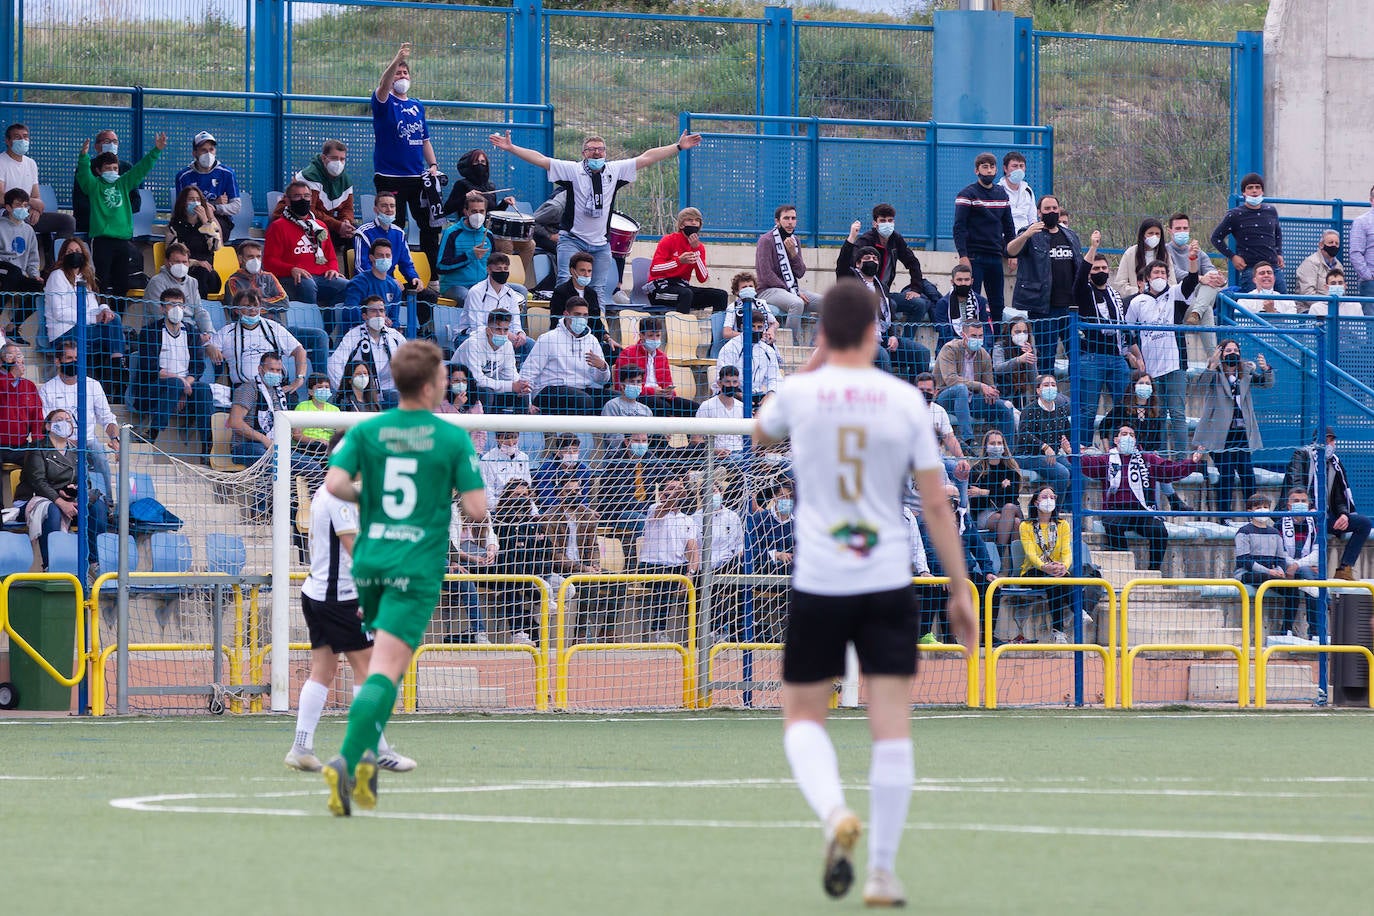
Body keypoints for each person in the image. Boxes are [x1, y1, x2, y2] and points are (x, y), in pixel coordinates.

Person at [753, 279, 975, 907]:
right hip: (886, 580)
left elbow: (760, 435)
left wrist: (815, 362)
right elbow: (935, 501)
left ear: (823, 332)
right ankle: (881, 871)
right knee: (892, 729)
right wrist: (958, 586)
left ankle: (833, 815)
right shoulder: (904, 400)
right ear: (877, 331)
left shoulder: (801, 391)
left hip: (821, 581)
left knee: (801, 718)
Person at [319, 339, 485, 815]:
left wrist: (369, 499)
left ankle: (367, 765)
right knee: (386, 669)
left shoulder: (369, 430)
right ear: (433, 385)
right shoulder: (450, 437)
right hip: (415, 563)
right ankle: (347, 761)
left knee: (379, 665)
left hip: (370, 561)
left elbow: (333, 484)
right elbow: (476, 510)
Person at [285, 431, 416, 774]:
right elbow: (353, 549)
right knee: (370, 670)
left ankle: (301, 746)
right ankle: (375, 749)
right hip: (339, 598)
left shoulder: (333, 491)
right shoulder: (338, 496)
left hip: (318, 593)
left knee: (324, 671)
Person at [490, 126, 702, 303]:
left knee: (599, 290)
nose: (597, 153)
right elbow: (541, 160)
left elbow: (646, 157)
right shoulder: (573, 170)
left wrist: (678, 147)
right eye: (591, 150)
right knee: (564, 282)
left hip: (600, 244)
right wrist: (511, 148)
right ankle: (558, 328)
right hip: (572, 239)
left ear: (606, 153)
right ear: (584, 153)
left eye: (601, 150)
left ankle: (597, 334)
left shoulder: (615, 170)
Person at [1080, 424, 1205, 571]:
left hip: (1143, 511)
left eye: (1131, 435)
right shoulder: (1107, 460)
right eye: (1124, 433)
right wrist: (1072, 454)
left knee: (1160, 531)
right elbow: (1088, 465)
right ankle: (1124, 567)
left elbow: (1170, 471)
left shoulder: (1147, 458)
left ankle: (1153, 571)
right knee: (1113, 525)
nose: (1128, 437)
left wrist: (1192, 462)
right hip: (1116, 510)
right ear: (1115, 439)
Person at [1124, 246, 1203, 457]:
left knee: (1177, 413)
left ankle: (1181, 460)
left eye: (1163, 273)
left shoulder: (1175, 294)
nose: (1160, 276)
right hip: (1149, 369)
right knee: (1155, 414)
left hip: (1175, 365)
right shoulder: (1137, 302)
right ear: (1147, 278)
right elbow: (1127, 332)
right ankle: (1153, 456)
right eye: (1156, 273)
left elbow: (1192, 280)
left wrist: (1192, 259)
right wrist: (1133, 357)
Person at [371, 44, 444, 269]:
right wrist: (397, 58)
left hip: (416, 177)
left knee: (430, 225)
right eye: (397, 73)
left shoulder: (417, 106)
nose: (402, 76)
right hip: (390, 176)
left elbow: (424, 140)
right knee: (395, 225)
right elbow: (383, 85)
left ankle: (431, 274)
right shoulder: (384, 102)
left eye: (405, 72)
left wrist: (432, 164)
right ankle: (391, 273)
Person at [75, 133, 166, 301]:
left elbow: (141, 169)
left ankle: (117, 320)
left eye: (115, 168)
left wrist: (157, 150)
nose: (112, 171)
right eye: (108, 169)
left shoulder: (124, 183)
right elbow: (83, 175)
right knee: (100, 282)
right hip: (102, 241)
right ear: (98, 171)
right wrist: (83, 157)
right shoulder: (94, 186)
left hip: (123, 241)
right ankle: (100, 314)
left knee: (123, 284)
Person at [15, 408, 107, 569]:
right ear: (48, 426)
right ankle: (51, 565)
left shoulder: (77, 451)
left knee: (98, 506)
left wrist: (75, 491)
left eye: (68, 420)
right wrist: (60, 500)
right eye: (59, 420)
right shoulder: (37, 448)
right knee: (53, 510)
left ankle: (94, 561)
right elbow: (38, 482)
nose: (65, 423)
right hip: (36, 500)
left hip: (69, 501)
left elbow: (87, 482)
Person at [1192, 338, 1273, 519]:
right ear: (1221, 354)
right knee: (1227, 474)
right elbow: (1200, 386)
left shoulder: (1245, 372)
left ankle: (1254, 513)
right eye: (1228, 350)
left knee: (1247, 474)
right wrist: (1212, 365)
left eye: (1235, 350)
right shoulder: (1215, 373)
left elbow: (1266, 383)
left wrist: (1266, 370)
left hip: (1241, 432)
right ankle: (1224, 516)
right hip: (1219, 434)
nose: (1232, 353)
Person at [835, 233, 930, 383]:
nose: (872, 261)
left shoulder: (882, 286)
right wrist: (851, 238)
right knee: (882, 355)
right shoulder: (850, 280)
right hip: (860, 341)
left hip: (883, 337)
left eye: (874, 259)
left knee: (921, 353)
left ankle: (919, 396)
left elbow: (890, 316)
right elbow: (842, 264)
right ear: (858, 264)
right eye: (867, 259)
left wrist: (893, 335)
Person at [1073, 230, 1138, 447]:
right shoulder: (1083, 292)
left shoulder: (1115, 295)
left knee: (1125, 404)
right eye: (1096, 268)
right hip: (1091, 357)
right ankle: (1083, 448)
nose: (1100, 271)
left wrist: (1133, 353)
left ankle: (1116, 442)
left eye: (1104, 268)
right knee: (1089, 407)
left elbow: (1123, 326)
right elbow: (1080, 276)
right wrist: (1093, 247)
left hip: (1117, 358)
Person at [1006, 195, 1083, 376]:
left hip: (1070, 308)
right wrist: (1025, 235)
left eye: (1054, 208)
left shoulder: (1070, 235)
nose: (1052, 212)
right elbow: (1010, 250)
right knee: (1046, 357)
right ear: (1039, 212)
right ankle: (1045, 396)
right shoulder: (1031, 234)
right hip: (1043, 308)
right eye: (1047, 209)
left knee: (1077, 355)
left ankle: (1075, 401)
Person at [131, 290, 213, 456]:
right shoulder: (150, 332)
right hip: (153, 390)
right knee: (174, 383)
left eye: (179, 304)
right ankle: (151, 433)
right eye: (171, 304)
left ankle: (208, 446)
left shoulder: (191, 332)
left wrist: (184, 385)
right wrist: (180, 383)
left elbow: (198, 367)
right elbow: (150, 367)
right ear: (162, 308)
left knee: (203, 389)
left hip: (183, 388)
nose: (176, 308)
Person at [1284, 429, 1371, 581]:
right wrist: (1309, 507)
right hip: (1303, 513)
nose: (1330, 444)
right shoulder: (1302, 455)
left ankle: (1344, 568)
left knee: (1364, 523)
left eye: (1332, 440)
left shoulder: (1334, 463)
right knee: (1319, 523)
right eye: (1327, 440)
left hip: (1326, 515)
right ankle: (1313, 565)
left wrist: (1343, 514)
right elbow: (1295, 485)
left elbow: (1339, 496)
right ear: (1316, 441)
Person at [227, 353, 323, 484]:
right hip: (246, 446)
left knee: (312, 466)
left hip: (274, 446)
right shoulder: (248, 389)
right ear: (260, 369)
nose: (276, 373)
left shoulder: (279, 393)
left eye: (278, 370)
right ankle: (262, 505)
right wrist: (264, 439)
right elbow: (235, 422)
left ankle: (298, 504)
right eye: (271, 370)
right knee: (271, 463)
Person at [443, 147, 534, 284]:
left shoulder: (490, 186)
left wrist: (504, 203)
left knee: (530, 244)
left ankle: (519, 280)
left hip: (493, 231)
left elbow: (493, 212)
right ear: (469, 164)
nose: (480, 165)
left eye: (483, 162)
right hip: (476, 231)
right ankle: (501, 280)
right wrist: (465, 197)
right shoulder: (461, 184)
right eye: (476, 162)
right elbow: (447, 208)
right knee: (506, 245)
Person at [44, 237, 126, 387]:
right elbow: (60, 313)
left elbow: (93, 307)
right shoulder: (57, 276)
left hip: (84, 327)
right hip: (64, 331)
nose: (74, 254)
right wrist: (93, 318)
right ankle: (116, 371)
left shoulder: (85, 277)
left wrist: (104, 310)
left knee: (114, 319)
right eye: (69, 251)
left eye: (77, 251)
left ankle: (117, 363)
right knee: (112, 332)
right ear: (63, 255)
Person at [38, 341, 120, 488]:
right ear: (58, 361)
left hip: (88, 441)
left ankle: (107, 501)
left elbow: (107, 418)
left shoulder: (93, 385)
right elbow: (46, 425)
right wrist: (66, 440)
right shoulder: (47, 389)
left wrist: (114, 439)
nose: (74, 362)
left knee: (99, 453)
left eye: (77, 358)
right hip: (61, 443)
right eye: (69, 358)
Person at [264, 180, 347, 318]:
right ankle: (310, 324)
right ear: (288, 201)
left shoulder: (320, 226)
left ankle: (326, 327)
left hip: (321, 276)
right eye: (297, 196)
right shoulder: (278, 226)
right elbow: (269, 262)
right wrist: (291, 269)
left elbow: (331, 257)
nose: (303, 200)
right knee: (307, 284)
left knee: (348, 286)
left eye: (307, 196)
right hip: (291, 279)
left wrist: (333, 269)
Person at [953, 152, 1016, 327]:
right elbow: (959, 227)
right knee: (973, 302)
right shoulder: (967, 194)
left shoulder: (1002, 193)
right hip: (974, 256)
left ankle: (996, 343)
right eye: (985, 167)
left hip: (995, 256)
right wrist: (963, 255)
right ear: (977, 170)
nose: (989, 171)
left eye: (992, 167)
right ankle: (970, 340)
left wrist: (1013, 253)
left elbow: (1009, 227)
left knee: (997, 303)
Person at [0, 124, 77, 266]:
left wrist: (35, 209)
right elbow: (1, 198)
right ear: (7, 141)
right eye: (17, 137)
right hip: (8, 213)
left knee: (67, 221)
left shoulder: (31, 164)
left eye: (25, 137)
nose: (22, 140)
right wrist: (28, 202)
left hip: (28, 214)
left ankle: (56, 265)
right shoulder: (2, 162)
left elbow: (38, 198)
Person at [849, 203, 937, 325]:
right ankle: (887, 339)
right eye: (883, 220)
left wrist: (915, 289)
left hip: (885, 293)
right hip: (866, 294)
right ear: (875, 223)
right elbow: (851, 264)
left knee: (920, 304)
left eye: (890, 220)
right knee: (891, 305)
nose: (887, 224)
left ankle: (907, 340)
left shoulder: (896, 239)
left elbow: (913, 262)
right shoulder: (866, 240)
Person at [932, 321, 1015, 446]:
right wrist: (981, 386)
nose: (977, 339)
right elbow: (951, 379)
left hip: (971, 401)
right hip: (946, 398)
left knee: (1005, 408)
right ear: (963, 335)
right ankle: (968, 440)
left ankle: (1009, 454)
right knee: (961, 389)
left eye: (980, 336)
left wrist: (991, 392)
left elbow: (989, 384)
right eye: (973, 336)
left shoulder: (984, 355)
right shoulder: (950, 349)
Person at [208, 290, 309, 392]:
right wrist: (209, 347)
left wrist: (299, 379)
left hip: (279, 388)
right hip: (245, 390)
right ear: (237, 310)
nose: (253, 310)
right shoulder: (226, 332)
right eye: (247, 306)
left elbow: (299, 350)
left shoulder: (274, 327)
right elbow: (207, 348)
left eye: (256, 305)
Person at [488, 478, 549, 646]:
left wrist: (534, 542)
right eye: (516, 495)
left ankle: (531, 627)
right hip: (501, 569)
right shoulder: (497, 518)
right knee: (512, 583)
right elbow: (505, 547)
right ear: (507, 496)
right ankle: (522, 632)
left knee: (568, 589)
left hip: (533, 571)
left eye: (524, 495)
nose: (521, 498)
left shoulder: (533, 521)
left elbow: (545, 549)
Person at [637, 474, 700, 636]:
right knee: (668, 581)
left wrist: (691, 573)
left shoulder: (688, 520)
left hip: (676, 567)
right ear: (663, 492)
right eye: (670, 489)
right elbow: (663, 509)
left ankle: (703, 633)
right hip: (651, 566)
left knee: (702, 582)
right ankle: (659, 630)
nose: (674, 492)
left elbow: (693, 550)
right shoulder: (654, 509)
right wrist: (674, 495)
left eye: (678, 489)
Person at [522, 301, 610, 416]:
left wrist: (602, 367)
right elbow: (528, 371)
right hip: (550, 390)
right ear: (566, 314)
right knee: (583, 400)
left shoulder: (592, 340)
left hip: (582, 389)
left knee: (613, 399)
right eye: (577, 315)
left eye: (585, 315)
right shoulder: (549, 338)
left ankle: (608, 434)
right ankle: (568, 433)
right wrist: (527, 402)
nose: (582, 319)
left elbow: (602, 380)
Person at [1232, 492, 1300, 636]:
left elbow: (1281, 557)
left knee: (1293, 589)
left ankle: (1286, 630)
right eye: (1258, 507)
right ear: (1250, 510)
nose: (1262, 510)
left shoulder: (1275, 532)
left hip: (1271, 573)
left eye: (1265, 507)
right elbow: (1244, 560)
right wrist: (1269, 571)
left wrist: (1280, 570)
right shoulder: (1243, 532)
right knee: (1268, 579)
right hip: (1246, 574)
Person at [271, 139, 355, 254]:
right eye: (334, 158)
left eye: (342, 159)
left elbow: (347, 208)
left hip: (323, 224)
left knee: (353, 233)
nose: (339, 163)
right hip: (296, 222)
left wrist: (346, 222)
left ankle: (350, 271)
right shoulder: (309, 176)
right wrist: (337, 225)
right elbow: (309, 211)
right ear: (324, 158)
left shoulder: (345, 180)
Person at [1018, 486, 1078, 643]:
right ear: (1036, 502)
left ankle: (1058, 633)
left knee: (1056, 583)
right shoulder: (1026, 526)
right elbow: (1030, 554)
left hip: (1057, 571)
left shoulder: (1062, 525)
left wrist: (1064, 566)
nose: (1049, 500)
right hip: (1033, 571)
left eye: (1052, 497)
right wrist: (1045, 567)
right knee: (1056, 581)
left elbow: (1066, 551)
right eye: (1045, 497)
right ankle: (1078, 611)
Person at [352, 192, 431, 310]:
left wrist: (414, 277)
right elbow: (361, 267)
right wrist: (388, 281)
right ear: (376, 209)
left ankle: (418, 329)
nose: (389, 209)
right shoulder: (363, 233)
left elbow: (406, 263)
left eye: (392, 206)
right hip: (371, 285)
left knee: (427, 296)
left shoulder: (399, 233)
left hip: (392, 285)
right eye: (384, 206)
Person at [1211, 172, 1284, 293]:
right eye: (1250, 188)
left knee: (1284, 302)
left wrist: (1279, 252)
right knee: (1252, 305)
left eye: (1257, 187)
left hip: (1272, 267)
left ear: (1262, 191)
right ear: (1244, 193)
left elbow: (1277, 233)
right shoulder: (1235, 215)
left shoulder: (1271, 211)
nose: (1254, 191)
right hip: (1250, 268)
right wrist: (1233, 257)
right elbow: (1216, 238)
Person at [329, 296, 407, 408]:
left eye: (381, 310)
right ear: (364, 316)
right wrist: (345, 389)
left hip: (390, 392)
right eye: (373, 311)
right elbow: (334, 364)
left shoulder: (395, 336)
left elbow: (411, 364)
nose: (378, 314)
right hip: (363, 392)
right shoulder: (354, 335)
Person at [755, 203, 821, 336]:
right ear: (777, 221)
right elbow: (766, 274)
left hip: (790, 289)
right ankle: (791, 344)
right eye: (786, 218)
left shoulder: (795, 240)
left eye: (793, 218)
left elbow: (800, 272)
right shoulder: (766, 240)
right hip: (767, 290)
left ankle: (818, 342)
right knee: (796, 303)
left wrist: (793, 254)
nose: (790, 222)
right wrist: (793, 292)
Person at [742, 481, 796, 643]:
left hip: (791, 574)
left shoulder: (799, 523)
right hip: (764, 571)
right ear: (774, 497)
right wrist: (775, 554)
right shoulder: (760, 519)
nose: (786, 500)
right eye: (782, 496)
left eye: (790, 497)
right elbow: (752, 550)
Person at [646, 207, 728, 313]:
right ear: (681, 225)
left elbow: (702, 277)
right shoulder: (669, 240)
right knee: (686, 294)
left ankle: (719, 329)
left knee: (720, 295)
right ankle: (681, 329)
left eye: (697, 220)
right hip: (659, 289)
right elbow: (655, 269)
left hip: (682, 286)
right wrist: (678, 261)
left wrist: (696, 250)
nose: (694, 223)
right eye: (690, 220)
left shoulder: (699, 247)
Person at [612, 315, 696, 416]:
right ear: (641, 336)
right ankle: (661, 431)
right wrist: (652, 391)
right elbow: (621, 386)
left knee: (694, 408)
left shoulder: (662, 356)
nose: (655, 339)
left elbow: (668, 383)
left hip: (660, 396)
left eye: (658, 335)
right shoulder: (627, 354)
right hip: (638, 396)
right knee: (663, 406)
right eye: (651, 336)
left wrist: (669, 393)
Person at [452, 252, 531, 356]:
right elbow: (477, 326)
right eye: (498, 269)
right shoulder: (476, 292)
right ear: (489, 270)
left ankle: (522, 371)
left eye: (505, 269)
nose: (503, 272)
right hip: (470, 336)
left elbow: (515, 322)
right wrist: (505, 335)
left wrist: (520, 334)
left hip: (502, 336)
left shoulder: (511, 293)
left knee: (530, 345)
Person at [456, 307, 531, 414]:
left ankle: (513, 430)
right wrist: (512, 386)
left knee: (520, 394)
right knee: (486, 392)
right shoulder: (473, 344)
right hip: (463, 391)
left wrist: (521, 386)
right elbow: (478, 380)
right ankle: (480, 429)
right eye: (498, 329)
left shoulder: (508, 345)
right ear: (488, 330)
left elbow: (511, 375)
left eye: (505, 330)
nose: (502, 334)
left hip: (489, 390)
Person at [595, 432, 665, 542]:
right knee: (642, 521)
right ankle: (641, 558)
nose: (641, 444)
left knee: (669, 519)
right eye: (637, 441)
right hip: (616, 513)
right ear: (627, 442)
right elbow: (623, 501)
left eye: (644, 441)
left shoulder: (649, 458)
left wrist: (675, 481)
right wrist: (651, 513)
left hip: (643, 510)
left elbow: (667, 475)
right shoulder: (616, 462)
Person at [444, 500, 496, 644]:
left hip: (455, 559)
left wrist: (491, 550)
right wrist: (466, 558)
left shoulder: (483, 512)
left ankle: (479, 633)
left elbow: (444, 541)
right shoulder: (451, 510)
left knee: (507, 566)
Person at [73, 128, 141, 237]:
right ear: (96, 146)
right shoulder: (86, 168)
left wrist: (116, 212)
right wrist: (102, 213)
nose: (112, 144)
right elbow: (80, 202)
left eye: (115, 142)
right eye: (107, 142)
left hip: (119, 225)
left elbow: (136, 202)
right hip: (93, 224)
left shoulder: (126, 168)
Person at [174, 130, 241, 240]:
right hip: (191, 218)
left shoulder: (227, 173)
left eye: (211, 149)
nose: (208, 154)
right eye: (203, 150)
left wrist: (214, 208)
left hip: (220, 218)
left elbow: (236, 206)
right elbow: (181, 207)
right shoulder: (183, 176)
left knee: (212, 230)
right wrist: (212, 203)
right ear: (195, 153)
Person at [969, 429, 1023, 559]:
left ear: (1004, 446)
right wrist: (1000, 489)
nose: (996, 446)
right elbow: (975, 502)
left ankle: (999, 557)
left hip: (1010, 509)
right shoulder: (977, 470)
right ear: (986, 446)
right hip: (986, 513)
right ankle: (1013, 568)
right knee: (1014, 522)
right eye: (993, 443)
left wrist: (984, 492)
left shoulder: (1011, 469)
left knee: (1009, 509)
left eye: (999, 443)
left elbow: (1012, 496)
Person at [163, 185, 222, 301]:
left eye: (198, 199)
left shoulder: (209, 225)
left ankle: (201, 310)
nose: (195, 202)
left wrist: (206, 222)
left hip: (208, 275)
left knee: (203, 273)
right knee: (197, 274)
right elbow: (172, 255)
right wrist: (195, 262)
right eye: (191, 199)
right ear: (183, 203)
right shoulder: (174, 227)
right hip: (184, 271)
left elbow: (216, 246)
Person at [1277, 487, 1322, 638]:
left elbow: (1318, 552)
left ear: (1309, 504)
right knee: (1311, 582)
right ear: (1288, 505)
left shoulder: (1315, 523)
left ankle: (1287, 630)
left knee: (1306, 577)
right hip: (1284, 566)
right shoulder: (1279, 523)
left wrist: (1297, 565)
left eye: (1303, 501)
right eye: (1296, 501)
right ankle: (1315, 632)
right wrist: (1294, 565)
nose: (1300, 503)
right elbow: (1280, 553)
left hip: (1304, 568)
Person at [1014, 374, 1072, 490]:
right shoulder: (1029, 410)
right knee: (1062, 473)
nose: (1050, 387)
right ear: (1038, 390)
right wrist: (1045, 447)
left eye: (1053, 385)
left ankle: (1069, 507)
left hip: (1053, 455)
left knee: (1078, 472)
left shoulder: (1061, 410)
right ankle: (1057, 508)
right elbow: (1024, 434)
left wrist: (1067, 447)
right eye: (1046, 385)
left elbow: (1068, 433)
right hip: (1028, 456)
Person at [436, 190, 494, 304]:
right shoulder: (452, 233)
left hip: (481, 285)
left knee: (519, 292)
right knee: (471, 298)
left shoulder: (488, 235)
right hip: (454, 285)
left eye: (481, 211)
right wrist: (469, 256)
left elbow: (492, 264)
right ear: (465, 212)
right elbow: (441, 267)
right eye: (474, 211)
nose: (478, 215)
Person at [0, 188, 43, 340]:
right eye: (19, 205)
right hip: (3, 270)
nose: (23, 209)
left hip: (17, 274)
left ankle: (13, 326)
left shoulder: (29, 230)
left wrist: (35, 275)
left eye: (26, 205)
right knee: (13, 273)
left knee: (39, 287)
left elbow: (33, 257)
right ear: (8, 207)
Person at [339, 238, 404, 340]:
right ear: (371, 258)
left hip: (384, 337)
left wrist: (393, 327)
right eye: (380, 255)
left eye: (388, 256)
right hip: (358, 335)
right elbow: (350, 311)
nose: (384, 259)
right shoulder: (358, 282)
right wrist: (375, 318)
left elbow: (394, 319)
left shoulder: (395, 287)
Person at [718, 304, 784, 403]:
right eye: (752, 326)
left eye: (759, 327)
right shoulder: (730, 348)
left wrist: (770, 395)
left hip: (759, 396)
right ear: (742, 327)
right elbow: (724, 378)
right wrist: (741, 396)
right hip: (733, 395)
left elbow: (775, 378)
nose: (756, 330)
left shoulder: (768, 351)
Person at [142, 241, 203, 331]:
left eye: (184, 262)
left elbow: (199, 312)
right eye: (177, 262)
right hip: (161, 331)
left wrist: (208, 332)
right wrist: (189, 333)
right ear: (167, 262)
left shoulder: (193, 282)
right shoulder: (157, 282)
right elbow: (159, 314)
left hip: (190, 331)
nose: (181, 265)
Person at [933, 263, 992, 353]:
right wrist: (964, 348)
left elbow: (986, 329)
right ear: (952, 282)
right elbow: (944, 333)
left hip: (977, 350)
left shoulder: (980, 301)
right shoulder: (943, 303)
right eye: (959, 280)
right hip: (950, 351)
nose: (963, 283)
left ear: (972, 281)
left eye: (966, 280)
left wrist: (984, 350)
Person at [1111, 218, 1174, 302]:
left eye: (1157, 234)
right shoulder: (1130, 254)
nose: (1154, 237)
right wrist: (1139, 291)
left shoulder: (1165, 255)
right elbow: (1120, 284)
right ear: (1143, 235)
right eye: (1150, 233)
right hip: (1136, 300)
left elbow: (1172, 282)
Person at [0, 343, 43, 463]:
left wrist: (37, 444)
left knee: (40, 462)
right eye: (10, 356)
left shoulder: (29, 386)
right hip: (0, 446)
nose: (16, 360)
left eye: (18, 356)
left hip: (22, 445)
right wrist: (12, 375)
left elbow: (37, 419)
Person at [693, 366, 745, 461]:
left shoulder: (742, 407)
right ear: (719, 383)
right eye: (727, 382)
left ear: (738, 383)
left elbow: (754, 439)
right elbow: (696, 439)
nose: (731, 385)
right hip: (718, 455)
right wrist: (714, 450)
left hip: (742, 452)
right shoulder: (707, 406)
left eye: (734, 382)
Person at [599, 362, 652, 453]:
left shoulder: (646, 410)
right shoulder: (612, 406)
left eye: (638, 382)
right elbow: (612, 438)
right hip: (617, 459)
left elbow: (648, 438)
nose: (636, 385)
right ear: (622, 385)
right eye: (631, 382)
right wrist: (631, 445)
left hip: (642, 458)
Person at [532, 433, 592, 511]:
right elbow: (547, 500)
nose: (572, 454)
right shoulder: (545, 469)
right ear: (558, 452)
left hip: (578, 511)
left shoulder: (583, 470)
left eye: (575, 450)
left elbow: (585, 498)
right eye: (567, 451)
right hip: (553, 512)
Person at [991, 317, 1037, 409]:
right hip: (1002, 391)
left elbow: (1034, 379)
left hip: (1020, 394)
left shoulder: (1028, 348)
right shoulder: (999, 347)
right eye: (1017, 332)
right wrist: (1018, 360)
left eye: (1025, 332)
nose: (1022, 335)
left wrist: (1029, 357)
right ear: (1009, 332)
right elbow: (997, 369)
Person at [480, 430, 532, 506]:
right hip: (500, 510)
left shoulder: (524, 457)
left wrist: (534, 511)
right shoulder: (487, 460)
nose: (511, 443)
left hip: (524, 506)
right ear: (497, 438)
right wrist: (507, 507)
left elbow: (528, 489)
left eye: (514, 437)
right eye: (506, 438)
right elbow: (488, 497)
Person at [293, 373, 340, 459]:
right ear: (310, 391)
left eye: (326, 387)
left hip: (329, 447)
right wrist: (315, 440)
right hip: (308, 446)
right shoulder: (302, 406)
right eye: (319, 387)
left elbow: (339, 435)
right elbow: (296, 435)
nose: (324, 389)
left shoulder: (335, 410)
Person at [1295, 229, 1343, 299]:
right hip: (1309, 308)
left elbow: (1342, 292)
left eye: (1336, 243)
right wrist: (1325, 306)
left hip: (1333, 306)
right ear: (1321, 245)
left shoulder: (1339, 266)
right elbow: (1307, 294)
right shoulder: (1310, 263)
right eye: (1330, 242)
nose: (1334, 245)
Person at [998, 150, 1037, 235]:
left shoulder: (1028, 191)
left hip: (1025, 238)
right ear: (1005, 168)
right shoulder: (997, 191)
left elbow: (1032, 218)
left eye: (1021, 166)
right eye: (1014, 166)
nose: (1019, 169)